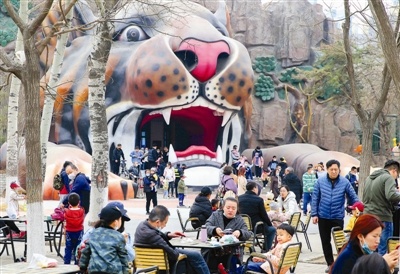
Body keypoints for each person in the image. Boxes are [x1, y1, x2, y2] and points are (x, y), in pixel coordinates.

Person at [311, 159, 359, 273]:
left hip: (337, 216)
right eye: (331, 169)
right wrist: (314, 214)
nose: (333, 171)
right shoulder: (320, 182)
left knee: (340, 242)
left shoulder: (345, 182)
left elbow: (353, 196)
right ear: (327, 170)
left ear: (339, 170)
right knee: (325, 241)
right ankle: (330, 264)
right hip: (323, 216)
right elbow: (315, 198)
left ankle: (340, 263)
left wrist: (357, 207)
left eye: (336, 169)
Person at [134, 205, 210, 274]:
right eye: (165, 223)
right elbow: (174, 254)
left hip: (149, 262)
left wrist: (168, 235)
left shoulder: (142, 226)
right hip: (162, 263)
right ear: (157, 222)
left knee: (192, 256)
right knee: (196, 255)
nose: (165, 225)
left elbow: (156, 238)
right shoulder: (151, 235)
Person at [330, 214, 399, 274]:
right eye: (374, 236)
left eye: (379, 236)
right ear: (360, 236)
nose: (378, 241)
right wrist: (382, 265)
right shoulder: (348, 256)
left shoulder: (367, 251)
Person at [363, 159, 400, 255]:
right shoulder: (388, 177)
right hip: (383, 216)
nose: (396, 177)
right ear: (394, 171)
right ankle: (381, 269)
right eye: (397, 175)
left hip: (368, 216)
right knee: (383, 249)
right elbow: (391, 195)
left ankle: (370, 269)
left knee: (370, 249)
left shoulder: (369, 178)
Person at [205, 197, 252, 272]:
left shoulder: (239, 219)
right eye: (228, 207)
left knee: (231, 262)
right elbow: (206, 226)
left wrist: (239, 232)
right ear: (223, 207)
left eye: (233, 208)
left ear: (237, 209)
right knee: (206, 258)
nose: (230, 210)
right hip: (214, 249)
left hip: (232, 251)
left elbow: (248, 233)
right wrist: (215, 229)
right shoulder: (215, 215)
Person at [79, 205, 129, 274]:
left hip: (94, 270)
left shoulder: (94, 233)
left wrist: (82, 267)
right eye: (120, 219)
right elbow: (123, 258)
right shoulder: (118, 236)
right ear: (115, 222)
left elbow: (85, 252)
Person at [238, 181, 276, 252]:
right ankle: (265, 249)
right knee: (272, 230)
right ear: (255, 188)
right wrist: (270, 224)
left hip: (242, 226)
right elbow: (264, 215)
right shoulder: (258, 200)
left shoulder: (239, 198)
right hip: (256, 227)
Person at [63, 193, 85, 265]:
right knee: (78, 249)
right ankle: (77, 264)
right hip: (79, 232)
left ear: (69, 203)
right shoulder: (82, 211)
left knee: (68, 249)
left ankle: (67, 264)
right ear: (79, 202)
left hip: (69, 232)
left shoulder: (66, 211)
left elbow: (64, 217)